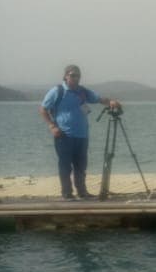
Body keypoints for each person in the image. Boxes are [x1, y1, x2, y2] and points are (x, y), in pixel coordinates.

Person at [39, 65, 121, 200]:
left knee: (81, 166)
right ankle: (67, 194)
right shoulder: (57, 91)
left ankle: (82, 193)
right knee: (65, 166)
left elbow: (99, 99)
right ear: (65, 76)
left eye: (78, 75)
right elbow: (43, 109)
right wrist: (52, 126)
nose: (75, 78)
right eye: (72, 75)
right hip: (63, 135)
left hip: (82, 135)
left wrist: (111, 102)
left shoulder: (82, 91)